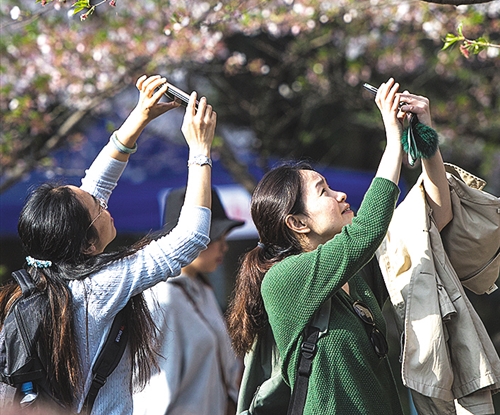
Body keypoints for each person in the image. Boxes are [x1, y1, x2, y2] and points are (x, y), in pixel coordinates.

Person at [227, 79, 452, 415]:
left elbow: (436, 220)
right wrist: (393, 140)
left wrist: (425, 136)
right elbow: (366, 232)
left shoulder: (356, 274)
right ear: (297, 223)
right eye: (324, 192)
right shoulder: (284, 280)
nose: (340, 195)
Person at [0, 74, 217, 415]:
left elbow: (95, 185)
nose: (104, 204)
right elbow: (190, 238)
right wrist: (200, 152)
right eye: (98, 208)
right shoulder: (98, 288)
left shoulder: (40, 283)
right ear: (86, 245)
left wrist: (140, 116)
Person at [133, 187, 244, 415]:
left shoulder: (200, 287)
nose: (224, 246)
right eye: (216, 237)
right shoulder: (162, 295)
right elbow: (154, 389)